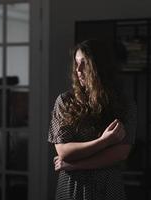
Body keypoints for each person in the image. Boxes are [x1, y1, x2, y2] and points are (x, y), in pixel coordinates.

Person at [48, 39, 137, 200]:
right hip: (72, 188)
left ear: (100, 66)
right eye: (76, 63)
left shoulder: (124, 104)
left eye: (85, 63)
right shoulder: (65, 101)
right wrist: (104, 141)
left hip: (108, 188)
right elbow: (63, 151)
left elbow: (120, 154)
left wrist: (74, 165)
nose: (78, 70)